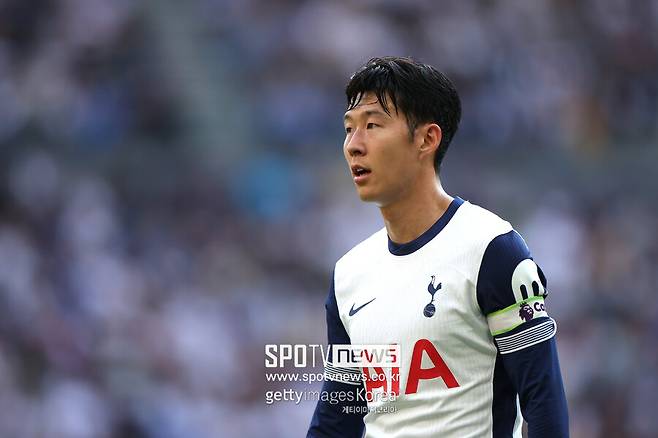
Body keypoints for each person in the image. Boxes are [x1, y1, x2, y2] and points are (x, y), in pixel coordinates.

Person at [306, 57, 568, 437]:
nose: (353, 146)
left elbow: (543, 404)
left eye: (373, 126)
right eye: (349, 129)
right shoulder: (349, 274)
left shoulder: (493, 250)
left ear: (427, 139)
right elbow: (337, 419)